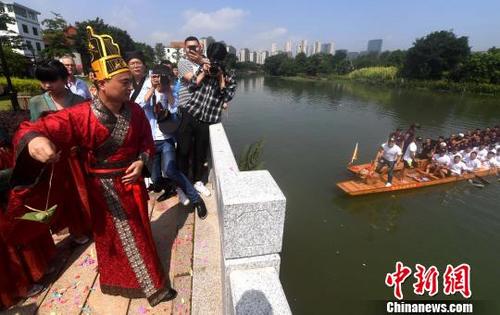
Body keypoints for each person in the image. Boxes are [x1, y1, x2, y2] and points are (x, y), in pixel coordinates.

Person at [7, 27, 177, 306]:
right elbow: (32, 127)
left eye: (130, 81)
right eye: (123, 82)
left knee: (138, 231)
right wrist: (35, 140)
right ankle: (153, 285)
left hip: (131, 181)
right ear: (100, 84)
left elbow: (147, 141)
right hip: (103, 190)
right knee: (120, 236)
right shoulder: (79, 115)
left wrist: (141, 160)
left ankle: (139, 278)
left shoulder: (134, 110)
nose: (131, 87)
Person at [22, 60, 92, 244]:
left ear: (64, 79)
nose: (47, 86)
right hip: (54, 158)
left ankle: (92, 224)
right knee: (65, 196)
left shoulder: (79, 101)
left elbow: (87, 129)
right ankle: (76, 230)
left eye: (51, 81)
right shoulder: (37, 102)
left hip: (78, 156)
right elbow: (34, 129)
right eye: (43, 81)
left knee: (86, 192)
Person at [141, 64, 207, 218]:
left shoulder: (169, 91)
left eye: (160, 76)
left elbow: (173, 109)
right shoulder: (146, 91)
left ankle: (196, 200)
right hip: (151, 140)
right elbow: (142, 104)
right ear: (150, 77)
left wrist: (167, 90)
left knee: (170, 169)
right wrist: (152, 88)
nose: (157, 79)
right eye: (154, 76)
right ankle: (175, 187)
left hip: (166, 140)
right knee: (156, 180)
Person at [177, 42, 237, 195]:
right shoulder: (204, 67)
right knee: (183, 150)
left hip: (209, 119)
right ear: (209, 56)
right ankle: (181, 184)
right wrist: (203, 72)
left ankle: (197, 181)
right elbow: (191, 86)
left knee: (200, 153)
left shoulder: (230, 75)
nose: (215, 62)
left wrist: (221, 79)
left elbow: (227, 97)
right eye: (213, 58)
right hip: (191, 113)